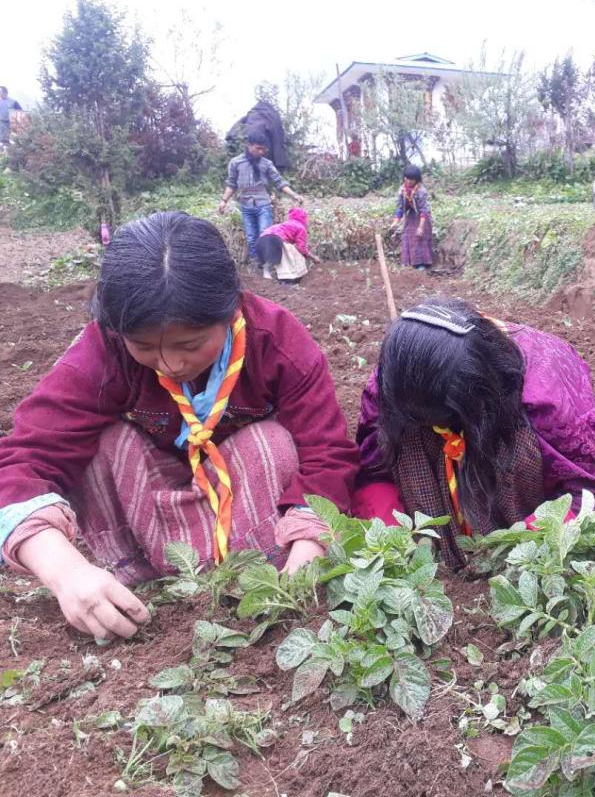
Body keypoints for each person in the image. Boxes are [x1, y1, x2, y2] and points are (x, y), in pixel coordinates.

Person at [0, 212, 360, 640]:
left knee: (272, 441)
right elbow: (24, 459)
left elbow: (327, 453)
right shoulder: (104, 351)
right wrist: (64, 570)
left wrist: (309, 544)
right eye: (144, 347)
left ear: (231, 308)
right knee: (101, 444)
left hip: (245, 501)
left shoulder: (276, 343)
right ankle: (132, 578)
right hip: (152, 510)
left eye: (190, 344)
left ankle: (262, 572)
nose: (170, 364)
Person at [352, 298, 595, 567]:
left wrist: (524, 544)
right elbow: (374, 472)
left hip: (505, 439)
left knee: (515, 445)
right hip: (448, 433)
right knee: (402, 434)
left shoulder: (546, 393)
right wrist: (391, 535)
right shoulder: (393, 382)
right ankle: (440, 552)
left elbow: (586, 495)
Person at [218, 131, 304, 264]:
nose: (261, 152)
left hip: (263, 205)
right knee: (251, 237)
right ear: (249, 145)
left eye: (263, 149)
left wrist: (294, 195)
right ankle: (257, 263)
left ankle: (269, 263)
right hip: (246, 206)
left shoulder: (266, 164)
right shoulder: (236, 162)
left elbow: (279, 182)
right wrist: (224, 201)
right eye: (258, 148)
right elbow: (232, 184)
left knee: (266, 234)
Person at [257, 206, 321, 284]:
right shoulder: (300, 227)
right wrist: (313, 257)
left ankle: (268, 279)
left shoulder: (284, 225)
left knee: (269, 267)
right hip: (275, 240)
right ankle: (287, 281)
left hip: (260, 241)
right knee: (291, 256)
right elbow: (301, 248)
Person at [389, 164, 433, 271]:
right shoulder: (402, 190)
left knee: (419, 237)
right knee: (407, 235)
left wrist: (421, 227)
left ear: (417, 180)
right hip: (411, 214)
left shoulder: (421, 191)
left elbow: (424, 210)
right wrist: (395, 222)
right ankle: (408, 262)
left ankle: (421, 263)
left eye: (411, 180)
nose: (408, 181)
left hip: (422, 217)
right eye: (407, 178)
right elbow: (400, 208)